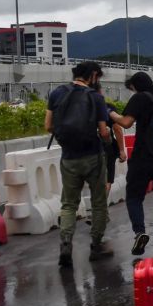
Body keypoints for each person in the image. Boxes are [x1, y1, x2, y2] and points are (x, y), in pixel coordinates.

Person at [46, 61, 114, 266]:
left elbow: (48, 125)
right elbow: (103, 132)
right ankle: (96, 245)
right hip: (93, 155)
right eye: (98, 77)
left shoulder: (57, 93)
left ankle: (66, 243)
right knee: (98, 202)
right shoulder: (96, 98)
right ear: (93, 75)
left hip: (68, 157)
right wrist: (108, 140)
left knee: (68, 204)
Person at [111, 71, 153, 255]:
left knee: (134, 197)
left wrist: (110, 112)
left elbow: (126, 122)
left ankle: (139, 232)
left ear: (135, 86)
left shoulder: (139, 98)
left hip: (141, 156)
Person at [91, 80, 126, 209]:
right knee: (107, 179)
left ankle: (97, 209)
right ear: (100, 92)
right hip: (106, 147)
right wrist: (122, 150)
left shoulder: (81, 107)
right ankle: (100, 209)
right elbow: (117, 128)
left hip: (86, 149)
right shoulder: (108, 107)